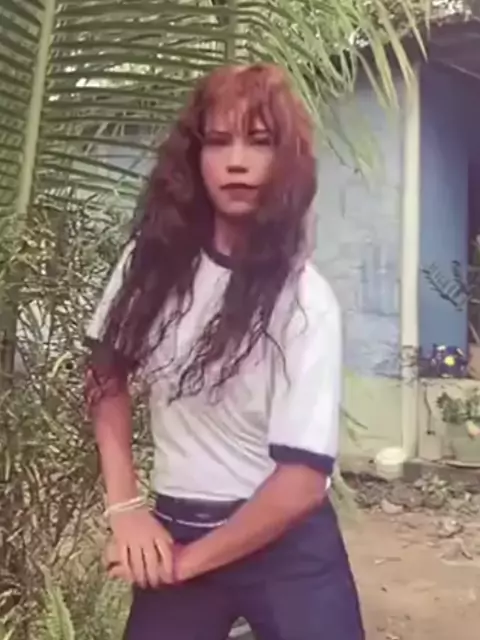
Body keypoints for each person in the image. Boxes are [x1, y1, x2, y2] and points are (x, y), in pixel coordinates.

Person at [85, 62, 365, 640]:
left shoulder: (306, 301)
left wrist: (185, 565)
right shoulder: (150, 268)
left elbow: (301, 484)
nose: (237, 161)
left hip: (288, 546)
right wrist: (126, 509)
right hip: (178, 523)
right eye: (218, 141)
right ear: (195, 158)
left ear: (285, 161)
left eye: (259, 142)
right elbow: (106, 375)